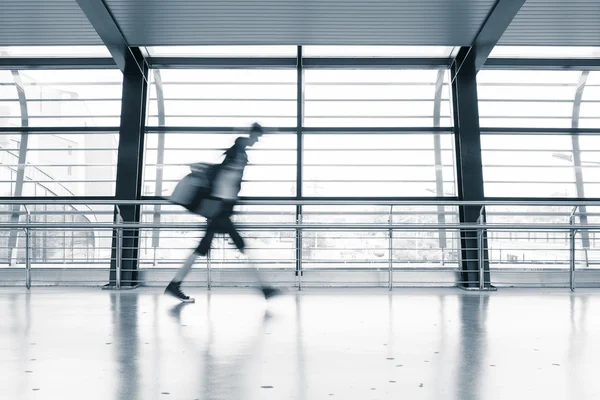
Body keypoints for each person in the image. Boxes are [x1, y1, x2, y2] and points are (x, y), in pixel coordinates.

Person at [165, 123, 281, 302]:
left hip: (220, 209)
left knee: (203, 249)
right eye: (257, 137)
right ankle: (265, 288)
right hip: (220, 209)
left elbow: (228, 182)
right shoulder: (239, 151)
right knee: (239, 246)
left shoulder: (238, 153)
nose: (257, 140)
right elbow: (227, 180)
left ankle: (175, 284)